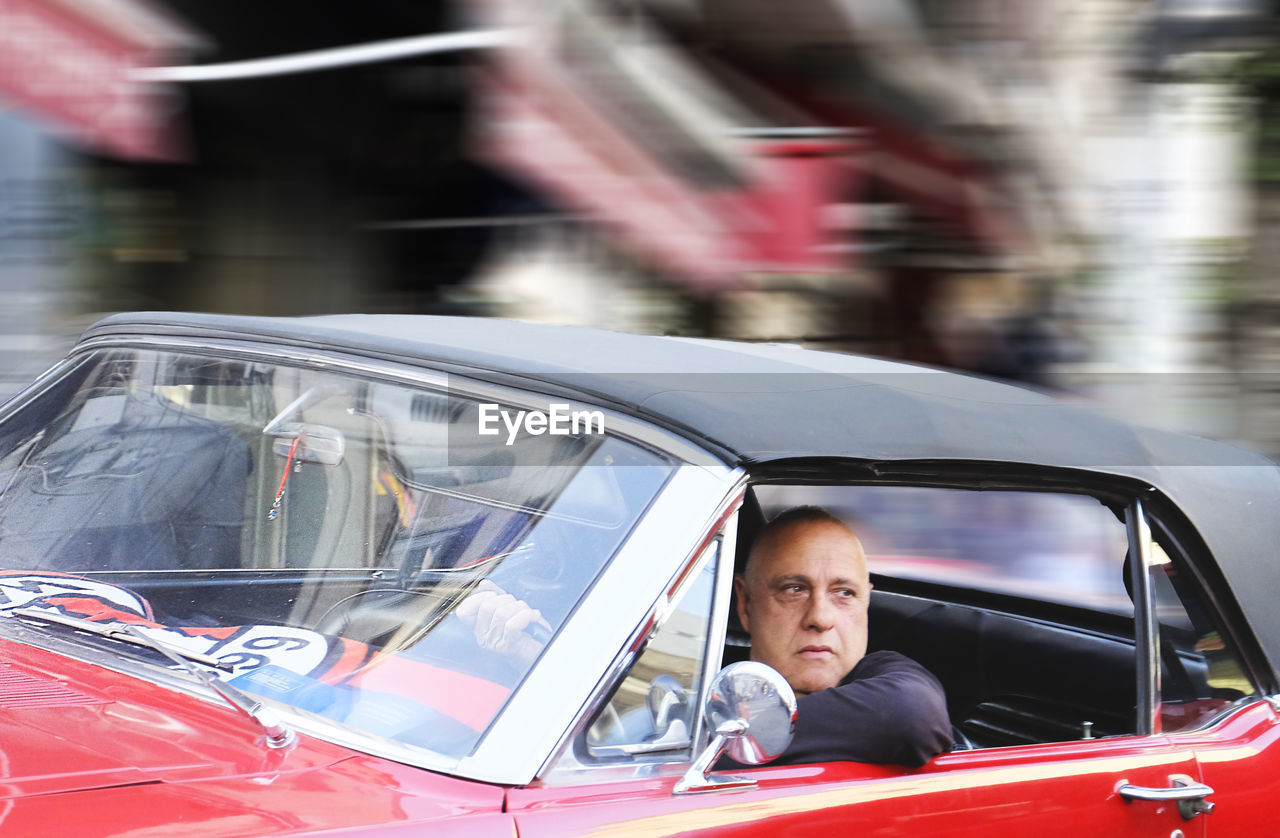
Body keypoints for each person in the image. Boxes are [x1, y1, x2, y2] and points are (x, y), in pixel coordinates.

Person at [731, 505, 952, 767]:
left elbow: (912, 715)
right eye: (794, 590)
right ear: (745, 604)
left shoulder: (891, 678)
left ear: (866, 602)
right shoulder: (697, 679)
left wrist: (726, 745)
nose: (820, 618)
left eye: (845, 593)